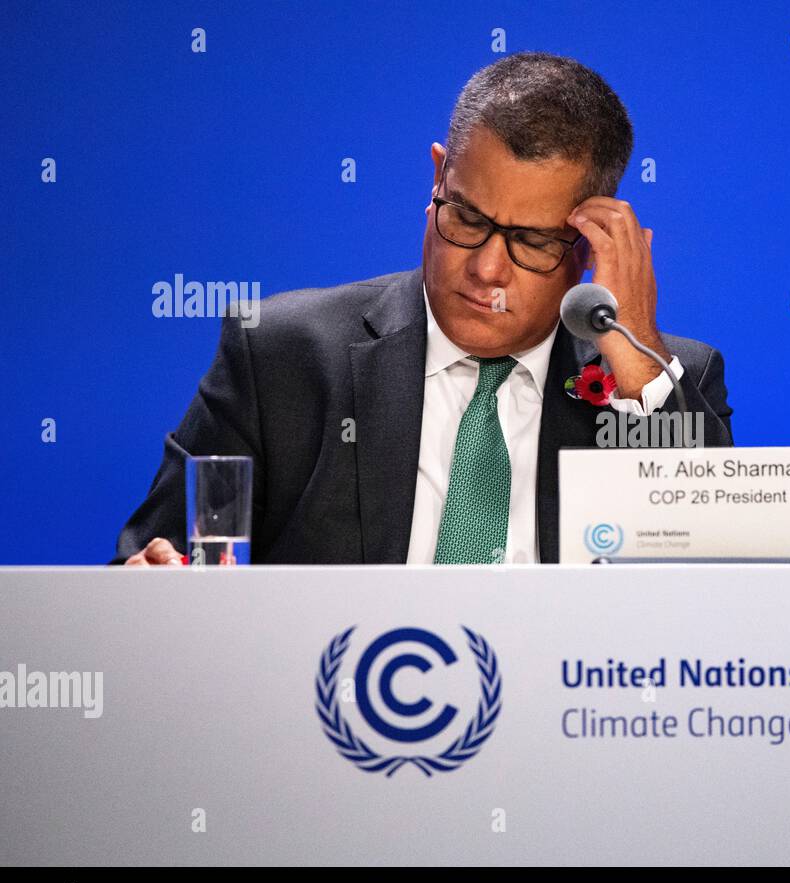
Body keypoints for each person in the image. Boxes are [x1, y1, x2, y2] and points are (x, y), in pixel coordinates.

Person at [117, 52, 732, 566]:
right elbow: (147, 571)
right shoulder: (281, 354)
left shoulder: (663, 380)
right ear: (438, 176)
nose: (487, 268)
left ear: (590, 243)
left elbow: (712, 583)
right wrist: (154, 578)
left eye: (532, 241)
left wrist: (635, 354)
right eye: (466, 217)